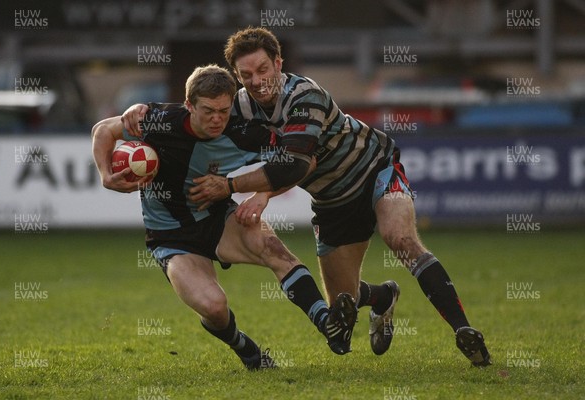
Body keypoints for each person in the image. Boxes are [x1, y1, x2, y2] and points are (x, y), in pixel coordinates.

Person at [182, 28, 491, 367]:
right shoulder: (238, 106)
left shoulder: (304, 95)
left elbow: (296, 164)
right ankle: (383, 296)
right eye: (247, 75)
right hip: (331, 201)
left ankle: (465, 332)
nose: (257, 81)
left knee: (399, 238)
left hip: (375, 169)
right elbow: (196, 123)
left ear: (278, 64)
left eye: (263, 70)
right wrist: (137, 126)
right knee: (344, 303)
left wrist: (238, 188)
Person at [92, 65, 357, 371]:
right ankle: (246, 350)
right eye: (208, 111)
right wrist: (105, 174)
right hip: (170, 237)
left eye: (223, 109)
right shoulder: (159, 120)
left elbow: (304, 162)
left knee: (276, 252)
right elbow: (103, 130)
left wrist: (263, 195)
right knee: (214, 307)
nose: (217, 118)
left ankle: (328, 325)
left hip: (220, 218)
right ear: (189, 105)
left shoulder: (245, 134)